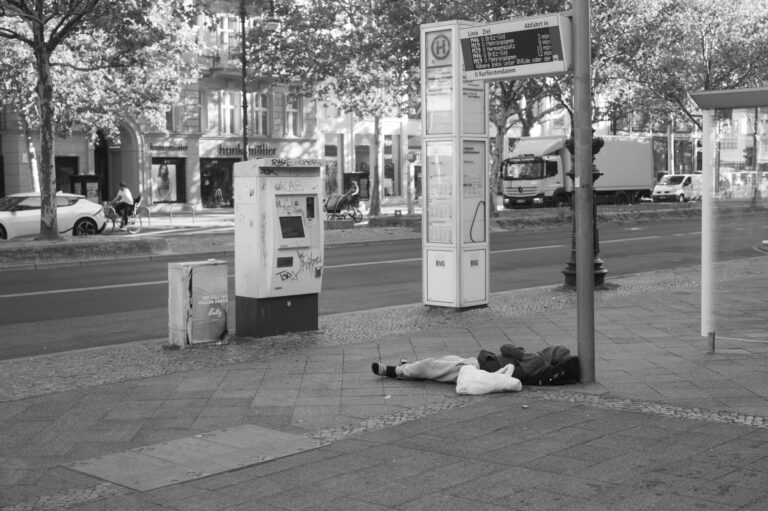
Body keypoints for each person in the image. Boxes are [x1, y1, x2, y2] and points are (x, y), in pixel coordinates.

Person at [372, 344, 580, 386]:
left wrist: (519, 351)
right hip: (478, 364)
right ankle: (409, 367)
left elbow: (506, 348)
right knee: (442, 360)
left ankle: (397, 371)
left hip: (477, 369)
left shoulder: (537, 360)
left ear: (551, 354)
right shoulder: (540, 365)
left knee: (431, 366)